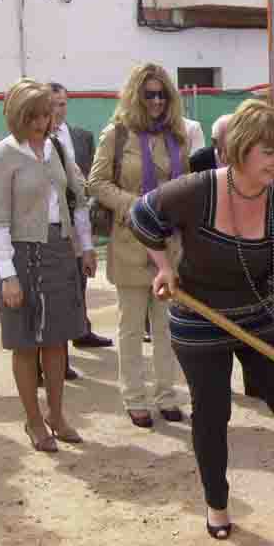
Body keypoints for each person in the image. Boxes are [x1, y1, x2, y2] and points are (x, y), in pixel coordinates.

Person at [129, 99, 274, 539]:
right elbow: (141, 216)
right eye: (268, 152)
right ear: (243, 149)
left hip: (257, 316)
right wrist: (165, 267)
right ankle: (216, 503)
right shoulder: (197, 190)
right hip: (198, 316)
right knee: (212, 412)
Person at [0, 78, 96, 452]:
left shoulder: (56, 149)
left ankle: (57, 414)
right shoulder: (1, 156)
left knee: (57, 337)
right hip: (21, 252)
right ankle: (33, 421)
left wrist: (85, 247)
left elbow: (75, 199)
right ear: (17, 115)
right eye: (33, 115)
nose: (41, 122)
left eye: (46, 114)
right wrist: (8, 276)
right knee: (25, 341)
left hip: (59, 249)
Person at [87, 63, 188, 428]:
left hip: (169, 243)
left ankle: (166, 394)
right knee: (131, 325)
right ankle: (134, 396)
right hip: (130, 240)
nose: (157, 101)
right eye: (150, 94)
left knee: (166, 326)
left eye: (163, 94)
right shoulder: (116, 135)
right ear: (135, 95)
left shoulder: (177, 136)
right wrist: (135, 205)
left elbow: (186, 185)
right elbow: (95, 183)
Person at [49, 82, 113, 350]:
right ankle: (57, 345)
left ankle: (80, 329)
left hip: (79, 218)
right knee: (57, 284)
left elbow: (89, 180)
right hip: (50, 221)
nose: (57, 110)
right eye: (52, 104)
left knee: (80, 276)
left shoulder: (82, 137)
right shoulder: (31, 140)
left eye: (62, 104)